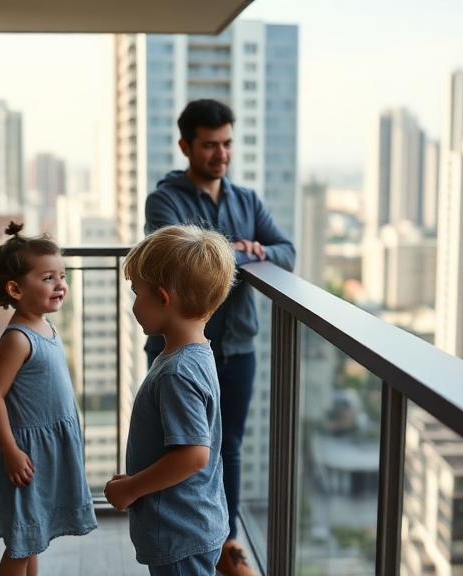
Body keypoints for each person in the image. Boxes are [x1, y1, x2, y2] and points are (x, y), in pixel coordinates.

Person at [144, 99, 295, 576]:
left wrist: (250, 250)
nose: (221, 153)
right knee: (179, 447)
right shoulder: (165, 199)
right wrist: (244, 253)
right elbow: (176, 261)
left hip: (237, 348)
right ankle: (181, 540)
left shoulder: (246, 199)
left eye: (227, 143)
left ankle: (225, 542)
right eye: (210, 145)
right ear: (186, 145)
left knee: (228, 447)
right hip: (179, 347)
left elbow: (286, 252)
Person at [104, 224, 235, 576]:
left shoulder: (178, 372)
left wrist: (132, 488)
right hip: (192, 522)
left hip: (180, 531)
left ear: (163, 297)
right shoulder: (198, 354)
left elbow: (192, 455)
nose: (134, 303)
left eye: (137, 293)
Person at [0, 222, 97, 576]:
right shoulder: (18, 338)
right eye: (48, 278)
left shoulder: (45, 326)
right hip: (26, 454)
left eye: (61, 276)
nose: (60, 284)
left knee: (33, 537)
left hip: (45, 453)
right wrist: (11, 451)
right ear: (15, 289)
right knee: (21, 543)